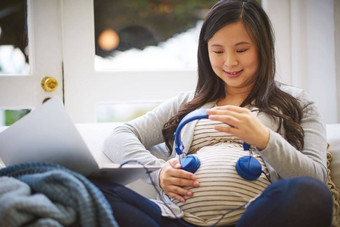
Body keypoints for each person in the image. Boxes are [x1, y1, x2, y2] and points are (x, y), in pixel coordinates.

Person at [92, 0, 333, 226]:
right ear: (205, 52)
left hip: (254, 218)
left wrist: (265, 139)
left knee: (309, 195)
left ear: (263, 48)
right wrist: (158, 171)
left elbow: (316, 178)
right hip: (176, 219)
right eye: (218, 51)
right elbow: (120, 136)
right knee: (87, 188)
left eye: (241, 50)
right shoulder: (187, 102)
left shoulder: (299, 103)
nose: (229, 62)